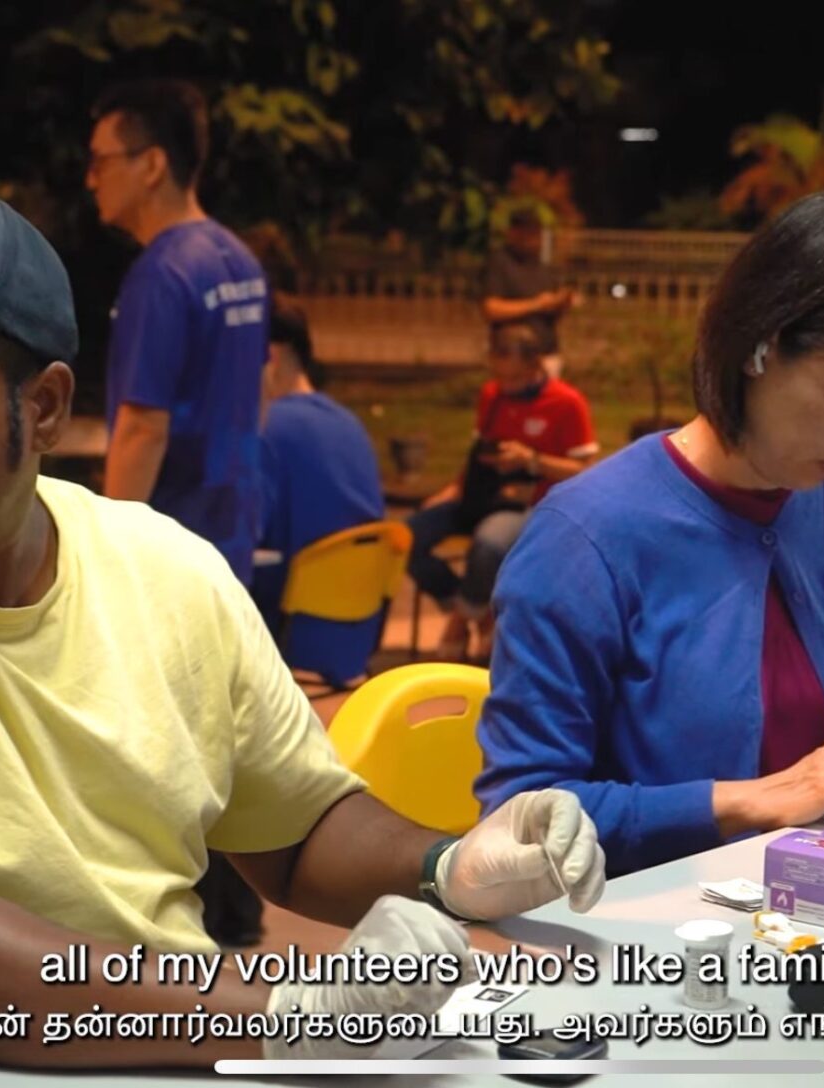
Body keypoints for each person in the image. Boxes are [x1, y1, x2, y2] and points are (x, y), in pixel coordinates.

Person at [0, 181, 605, 1088]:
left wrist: (448, 866)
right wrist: (279, 1015)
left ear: (47, 409)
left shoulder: (160, 569)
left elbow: (301, 833)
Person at [475, 192, 824, 875]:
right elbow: (521, 815)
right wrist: (747, 800)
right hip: (645, 938)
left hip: (814, 913)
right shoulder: (585, 538)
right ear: (761, 348)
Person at [88, 78, 269, 585]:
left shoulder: (161, 275)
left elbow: (143, 429)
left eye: (101, 161)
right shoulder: (240, 259)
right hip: (232, 528)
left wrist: (110, 555)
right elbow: (262, 390)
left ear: (151, 164)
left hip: (170, 547)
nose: (91, 179)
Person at [406, 321, 597, 661]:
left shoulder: (567, 403)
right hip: (481, 496)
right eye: (500, 377)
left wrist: (532, 460)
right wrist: (453, 489)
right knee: (404, 538)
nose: (506, 387)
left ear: (536, 365)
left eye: (515, 379)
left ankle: (457, 623)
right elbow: (478, 454)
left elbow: (586, 470)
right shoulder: (492, 395)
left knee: (490, 544)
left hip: (531, 503)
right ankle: (474, 613)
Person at [253, 301, 386, 684]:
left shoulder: (268, 428)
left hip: (291, 635)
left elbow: (249, 531)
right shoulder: (350, 423)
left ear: (271, 357)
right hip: (356, 632)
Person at [483, 208, 578, 379]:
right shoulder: (500, 264)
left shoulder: (542, 267)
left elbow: (550, 311)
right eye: (530, 233)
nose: (536, 239)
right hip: (513, 357)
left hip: (545, 353)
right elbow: (492, 309)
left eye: (538, 233)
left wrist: (560, 303)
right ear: (514, 233)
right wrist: (536, 304)